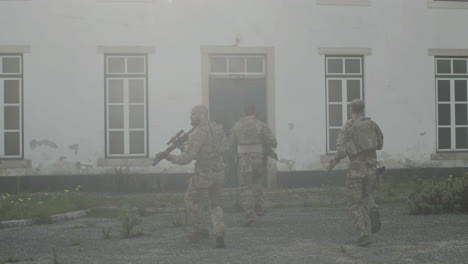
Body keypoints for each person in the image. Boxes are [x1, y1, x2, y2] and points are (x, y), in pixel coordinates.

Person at [165, 105, 227, 248]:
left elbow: (187, 158)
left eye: (193, 114)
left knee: (191, 200)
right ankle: (219, 231)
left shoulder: (198, 132)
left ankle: (200, 230)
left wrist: (171, 158)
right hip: (219, 171)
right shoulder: (217, 128)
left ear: (201, 114)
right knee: (215, 204)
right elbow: (224, 147)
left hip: (204, 172)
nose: (191, 117)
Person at [329, 99, 384, 246]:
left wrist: (335, 159)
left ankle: (364, 235)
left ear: (351, 110)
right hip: (372, 168)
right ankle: (373, 208)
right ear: (363, 110)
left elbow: (341, 151)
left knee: (354, 202)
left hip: (356, 169)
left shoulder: (348, 126)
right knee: (366, 195)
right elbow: (380, 144)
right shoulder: (372, 124)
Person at [229, 104, 277, 227]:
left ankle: (249, 214)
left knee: (245, 187)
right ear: (255, 112)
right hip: (258, 159)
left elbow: (230, 145)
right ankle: (259, 207)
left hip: (244, 160)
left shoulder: (236, 126)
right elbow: (273, 142)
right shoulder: (261, 125)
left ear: (243, 112)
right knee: (257, 183)